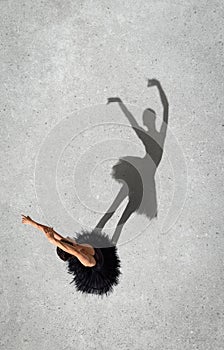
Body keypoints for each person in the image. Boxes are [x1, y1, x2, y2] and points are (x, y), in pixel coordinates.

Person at [96, 79, 169, 245]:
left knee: (123, 217)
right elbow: (131, 120)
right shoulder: (147, 134)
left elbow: (166, 107)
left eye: (150, 118)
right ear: (146, 121)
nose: (148, 121)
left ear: (154, 119)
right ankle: (95, 234)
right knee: (115, 209)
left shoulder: (161, 134)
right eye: (147, 119)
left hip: (144, 181)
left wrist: (158, 85)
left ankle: (109, 246)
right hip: (137, 175)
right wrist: (120, 103)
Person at [21, 214, 121, 296]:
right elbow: (75, 252)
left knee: (97, 232)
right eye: (67, 239)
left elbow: (50, 231)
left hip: (87, 249)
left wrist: (32, 223)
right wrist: (52, 240)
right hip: (99, 260)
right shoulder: (85, 259)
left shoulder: (73, 245)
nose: (67, 237)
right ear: (70, 247)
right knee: (109, 246)